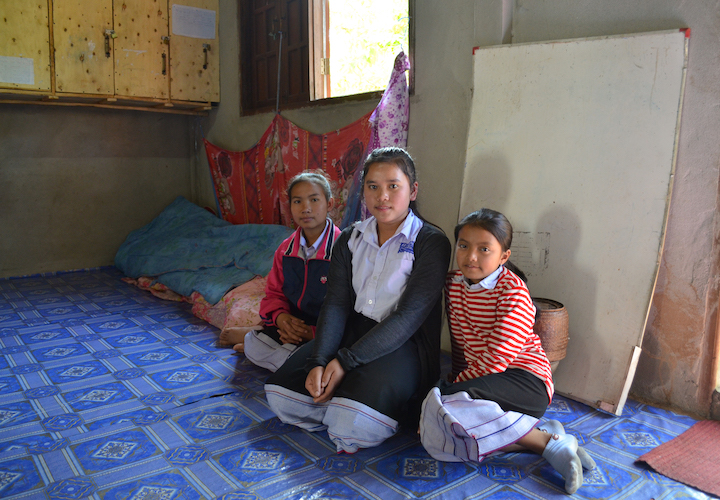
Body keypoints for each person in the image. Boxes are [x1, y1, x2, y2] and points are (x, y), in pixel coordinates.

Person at [264, 147, 452, 453]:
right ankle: (346, 402)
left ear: (413, 190)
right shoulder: (350, 237)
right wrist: (320, 360)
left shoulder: (430, 241)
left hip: (403, 343)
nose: (383, 197)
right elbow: (336, 304)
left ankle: (348, 405)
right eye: (373, 187)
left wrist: (344, 362)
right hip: (351, 334)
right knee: (278, 394)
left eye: (394, 186)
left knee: (351, 428)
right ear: (363, 191)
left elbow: (407, 318)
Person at [419, 208, 595, 495]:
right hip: (489, 383)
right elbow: (461, 343)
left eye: (484, 249)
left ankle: (549, 444)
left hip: (526, 383)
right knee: (437, 423)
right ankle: (539, 436)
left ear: (503, 256)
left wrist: (451, 387)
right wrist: (454, 380)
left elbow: (498, 358)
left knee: (439, 406)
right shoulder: (453, 284)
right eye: (463, 246)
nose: (471, 256)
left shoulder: (513, 292)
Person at [219, 172, 341, 372]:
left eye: (314, 199)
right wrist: (282, 320)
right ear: (290, 206)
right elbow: (274, 295)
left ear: (330, 203)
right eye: (298, 201)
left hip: (322, 334)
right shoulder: (285, 250)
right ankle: (264, 349)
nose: (306, 208)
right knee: (270, 349)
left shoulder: (342, 249)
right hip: (288, 329)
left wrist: (311, 333)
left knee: (319, 358)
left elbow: (345, 308)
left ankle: (257, 348)